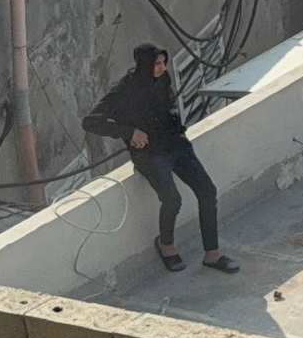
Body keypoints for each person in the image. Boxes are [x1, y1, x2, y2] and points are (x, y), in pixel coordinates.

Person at [82, 43, 231, 273]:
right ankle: (166, 245)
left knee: (207, 190)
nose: (162, 68)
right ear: (145, 65)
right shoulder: (124, 90)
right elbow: (91, 121)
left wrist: (179, 128)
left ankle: (212, 254)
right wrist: (129, 133)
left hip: (174, 144)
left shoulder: (163, 79)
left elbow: (169, 106)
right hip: (149, 153)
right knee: (172, 199)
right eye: (157, 64)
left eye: (163, 63)